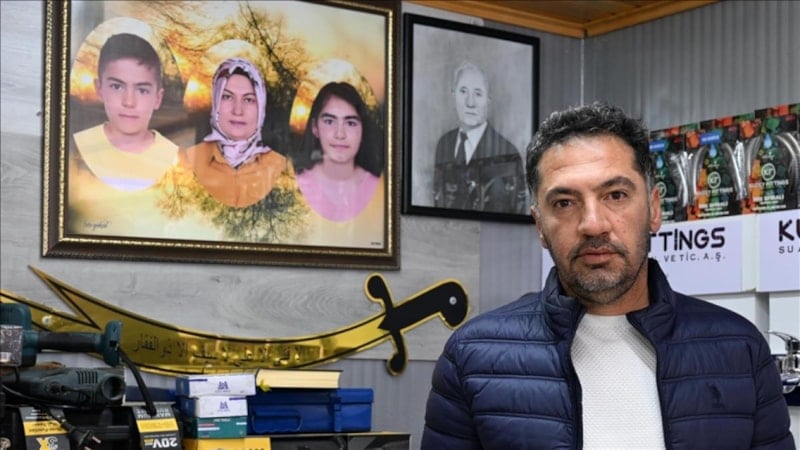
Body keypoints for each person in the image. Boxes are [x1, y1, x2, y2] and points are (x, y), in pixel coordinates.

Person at [421, 102, 794, 449]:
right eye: (564, 203)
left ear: (654, 210)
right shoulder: (472, 357)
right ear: (539, 226)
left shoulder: (739, 350)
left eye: (615, 195)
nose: (593, 224)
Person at [180, 57, 294, 208]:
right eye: (227, 97)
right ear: (215, 103)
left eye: (248, 100)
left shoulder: (282, 168)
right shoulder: (189, 162)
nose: (238, 110)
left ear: (261, 108)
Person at [72, 33, 178, 191]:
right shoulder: (77, 147)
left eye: (142, 90)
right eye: (117, 87)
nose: (129, 102)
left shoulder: (174, 157)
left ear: (158, 98)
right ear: (99, 89)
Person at [432, 61, 527, 214]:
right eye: (463, 91)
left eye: (478, 94)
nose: (470, 103)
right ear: (453, 96)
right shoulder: (444, 144)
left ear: (488, 100)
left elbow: (515, 212)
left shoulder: (508, 152)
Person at [293, 81, 383, 222]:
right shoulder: (296, 185)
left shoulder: (379, 189)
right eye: (329, 121)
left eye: (350, 123)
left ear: (362, 131)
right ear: (315, 127)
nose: (340, 134)